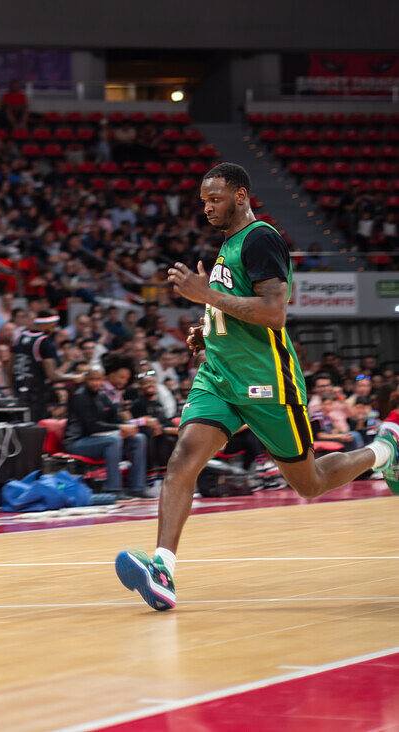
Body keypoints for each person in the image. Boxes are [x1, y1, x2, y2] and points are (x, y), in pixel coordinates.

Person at [115, 163, 399, 612]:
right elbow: (234, 310)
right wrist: (208, 332)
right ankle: (163, 569)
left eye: (215, 199)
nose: (207, 207)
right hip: (219, 379)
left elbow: (273, 312)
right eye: (203, 200)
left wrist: (206, 296)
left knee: (311, 482)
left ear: (241, 196)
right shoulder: (227, 245)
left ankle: (385, 450)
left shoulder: (262, 238)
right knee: (181, 460)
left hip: (268, 383)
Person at [63, 361, 151, 498]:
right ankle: (113, 489)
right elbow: (91, 427)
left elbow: (114, 419)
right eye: (92, 379)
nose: (95, 383)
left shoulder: (102, 396)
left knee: (139, 438)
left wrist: (126, 426)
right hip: (78, 442)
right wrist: (120, 428)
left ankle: (136, 487)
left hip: (100, 440)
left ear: (103, 380)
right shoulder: (79, 397)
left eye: (98, 379)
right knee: (113, 440)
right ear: (86, 379)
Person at [12, 310, 85, 422]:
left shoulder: (20, 337)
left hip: (18, 390)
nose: (54, 329)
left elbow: (9, 366)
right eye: (54, 325)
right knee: (35, 428)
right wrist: (75, 377)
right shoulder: (44, 342)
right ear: (48, 324)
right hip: (35, 393)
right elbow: (51, 376)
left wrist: (11, 385)